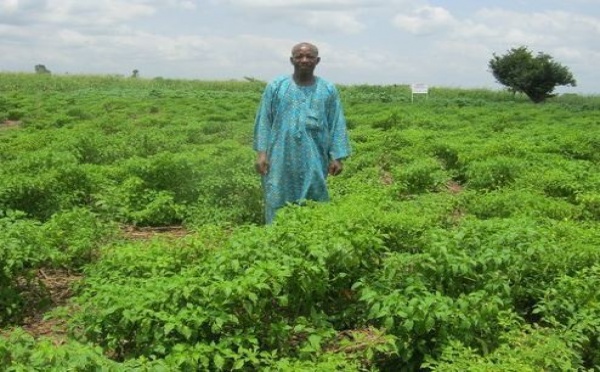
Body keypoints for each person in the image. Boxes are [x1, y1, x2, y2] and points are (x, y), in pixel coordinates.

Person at [253, 42, 351, 224]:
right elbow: (264, 121)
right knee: (276, 196)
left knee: (314, 197)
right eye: (299, 56)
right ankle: (275, 237)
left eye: (309, 56)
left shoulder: (328, 89)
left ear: (317, 60)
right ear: (292, 60)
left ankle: (312, 238)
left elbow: (336, 122)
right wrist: (261, 153)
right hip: (279, 156)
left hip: (314, 156)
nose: (304, 60)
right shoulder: (276, 86)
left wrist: (337, 157)